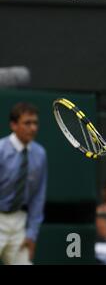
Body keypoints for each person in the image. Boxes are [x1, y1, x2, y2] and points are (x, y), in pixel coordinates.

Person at [0, 102, 47, 264]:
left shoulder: (40, 154)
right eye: (27, 123)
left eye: (35, 123)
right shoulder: (0, 150)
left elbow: (38, 197)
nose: (33, 128)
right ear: (13, 125)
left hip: (19, 222)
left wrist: (31, 234)